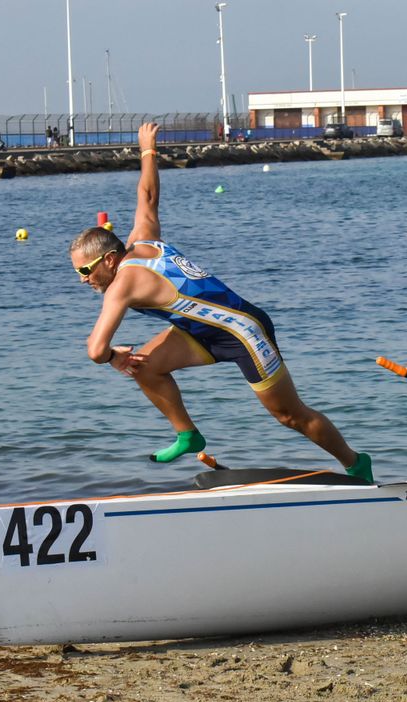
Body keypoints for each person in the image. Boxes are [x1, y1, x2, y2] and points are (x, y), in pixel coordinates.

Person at [73, 122, 371, 481]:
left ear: (109, 259)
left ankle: (356, 463)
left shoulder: (122, 284)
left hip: (243, 332)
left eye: (86, 269)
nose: (83, 279)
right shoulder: (143, 240)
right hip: (199, 331)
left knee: (290, 415)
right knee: (144, 367)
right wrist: (147, 149)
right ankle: (188, 435)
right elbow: (147, 197)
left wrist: (112, 357)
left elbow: (95, 350)